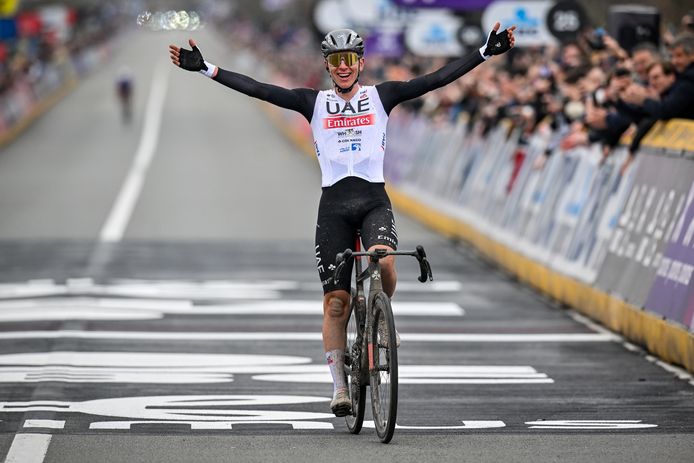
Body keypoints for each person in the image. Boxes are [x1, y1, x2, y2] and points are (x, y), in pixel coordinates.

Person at [169, 22, 516, 416]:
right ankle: (340, 388)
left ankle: (383, 317)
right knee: (336, 303)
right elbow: (259, 89)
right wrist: (206, 68)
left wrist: (485, 52)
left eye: (350, 59)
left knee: (384, 258)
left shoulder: (382, 96)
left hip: (372, 200)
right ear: (329, 66)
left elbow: (436, 79)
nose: (344, 66)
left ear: (361, 62)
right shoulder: (311, 102)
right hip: (333, 207)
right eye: (336, 61)